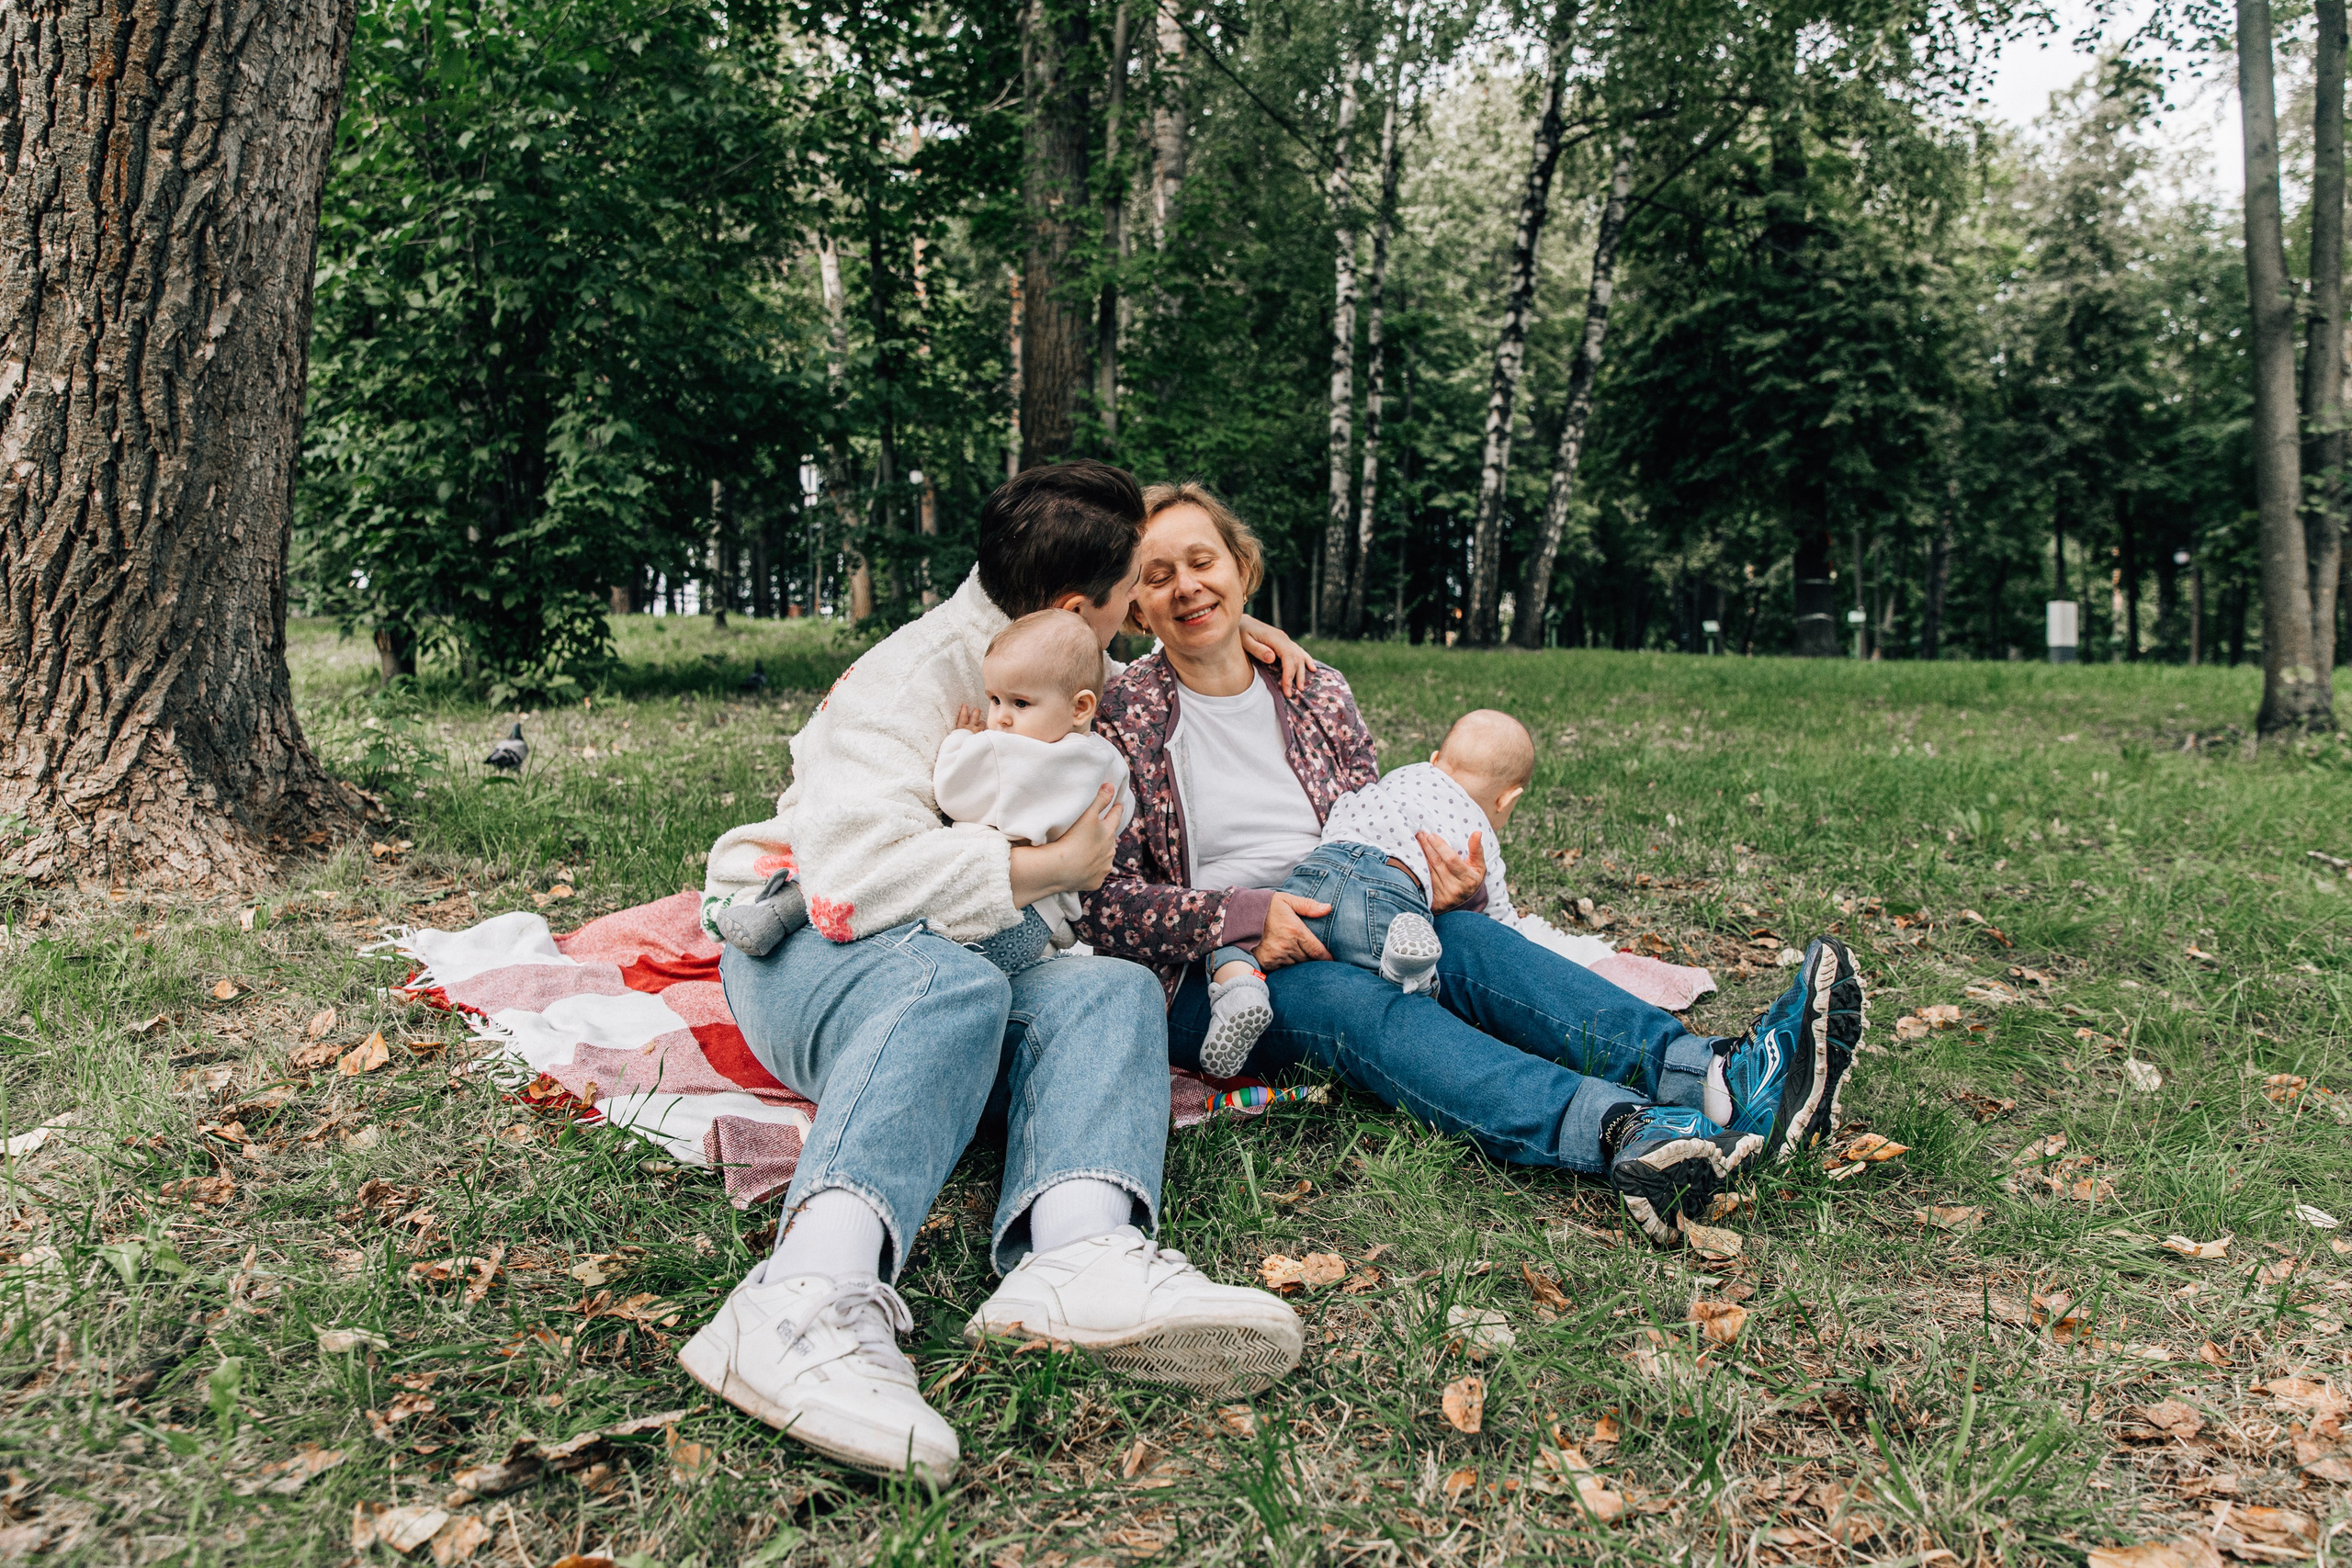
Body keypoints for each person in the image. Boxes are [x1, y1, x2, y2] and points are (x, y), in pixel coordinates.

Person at [684, 463, 1310, 1483]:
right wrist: (1044, 870)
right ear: (1073, 605)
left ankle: (1074, 1256)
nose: (1136, 625)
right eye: (1128, 599)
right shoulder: (911, 679)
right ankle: (798, 1296)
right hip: (805, 946)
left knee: (1107, 987)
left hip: (959, 947)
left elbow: (1182, 662)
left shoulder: (1045, 650)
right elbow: (849, 883)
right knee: (951, 984)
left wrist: (1269, 640)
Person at [1082, 480, 1866, 1247]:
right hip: (1220, 973)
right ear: (1135, 606)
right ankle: (1625, 1132)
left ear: (1242, 570)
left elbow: (1375, 816)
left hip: (1356, 904)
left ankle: (1721, 1078)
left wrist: (1444, 881)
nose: (1186, 587)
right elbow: (1104, 903)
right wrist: (1255, 916)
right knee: (1357, 1003)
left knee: (1479, 944)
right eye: (1157, 576)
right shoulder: (1124, 715)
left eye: (1202, 561)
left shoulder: (1313, 689)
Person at [1196, 707, 1535, 1075]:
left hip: (1317, 876)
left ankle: (1239, 989)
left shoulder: (1399, 778)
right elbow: (1501, 922)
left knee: (1234, 940)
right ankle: (1409, 968)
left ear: (1435, 759)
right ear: (1507, 799)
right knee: (1405, 993)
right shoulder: (1479, 832)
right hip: (1389, 889)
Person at [933, 608, 1136, 973]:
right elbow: (1121, 812)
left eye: (1020, 703)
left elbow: (952, 791)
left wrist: (961, 740)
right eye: (994, 699)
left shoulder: (1008, 754)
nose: (1001, 717)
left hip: (996, 910)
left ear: (1080, 707)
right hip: (1045, 920)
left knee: (958, 973)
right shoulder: (1105, 758)